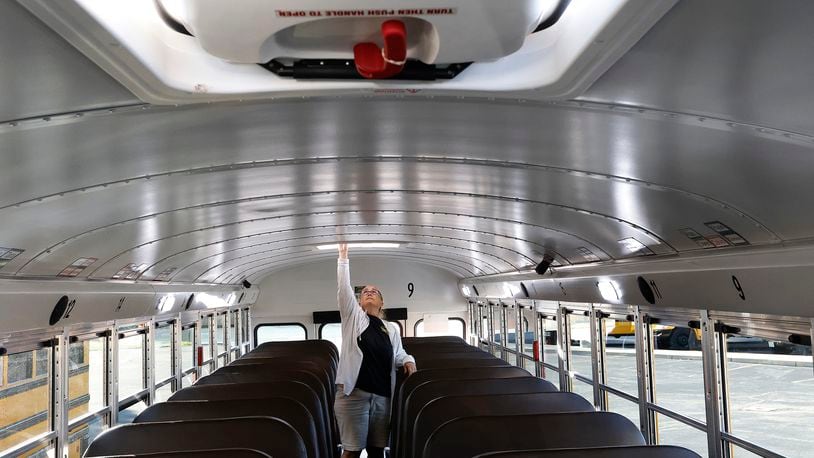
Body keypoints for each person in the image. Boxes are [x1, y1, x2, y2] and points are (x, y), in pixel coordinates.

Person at [334, 243, 417, 458]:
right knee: (351, 451)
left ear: (381, 302)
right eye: (364, 292)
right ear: (359, 302)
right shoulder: (353, 319)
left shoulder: (390, 328)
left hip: (382, 397)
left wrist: (409, 361)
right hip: (354, 394)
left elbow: (398, 353)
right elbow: (344, 290)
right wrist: (343, 258)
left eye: (374, 292)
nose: (369, 292)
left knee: (377, 451)